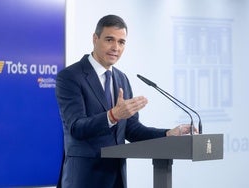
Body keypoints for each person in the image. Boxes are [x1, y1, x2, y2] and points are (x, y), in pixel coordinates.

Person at [55, 14, 196, 188]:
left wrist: (167, 134)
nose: (116, 47)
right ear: (95, 39)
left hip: (116, 178)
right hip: (84, 178)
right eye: (109, 40)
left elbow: (132, 130)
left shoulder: (121, 79)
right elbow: (76, 128)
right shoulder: (70, 77)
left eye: (121, 42)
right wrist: (112, 116)